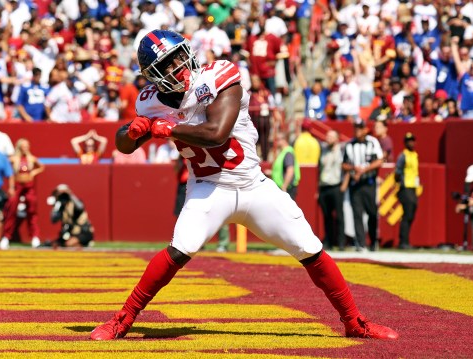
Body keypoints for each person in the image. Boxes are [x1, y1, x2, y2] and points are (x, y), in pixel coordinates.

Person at [90, 29, 397, 341]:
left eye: (180, 55)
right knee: (181, 248)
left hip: (253, 184)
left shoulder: (219, 75)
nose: (180, 65)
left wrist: (168, 129)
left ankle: (354, 321)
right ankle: (122, 320)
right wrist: (131, 132)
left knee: (309, 247)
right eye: (169, 63)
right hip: (208, 186)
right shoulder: (150, 103)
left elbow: (217, 133)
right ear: (154, 75)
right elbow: (124, 144)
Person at [342, 120, 383, 252]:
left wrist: (364, 170)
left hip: (369, 183)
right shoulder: (350, 145)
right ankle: (360, 243)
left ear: (365, 129)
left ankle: (373, 241)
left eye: (360, 128)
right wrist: (354, 169)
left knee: (372, 212)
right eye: (356, 128)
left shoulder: (372, 142)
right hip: (355, 184)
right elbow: (344, 164)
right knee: (357, 213)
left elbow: (379, 161)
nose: (358, 131)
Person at [0, 138, 44, 249]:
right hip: (17, 186)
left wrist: (33, 172)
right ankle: (6, 237)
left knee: (32, 210)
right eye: (23, 146)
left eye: (26, 146)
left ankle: (35, 237)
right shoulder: (14, 159)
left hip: (29, 187)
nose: (25, 148)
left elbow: (42, 167)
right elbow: (5, 165)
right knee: (11, 209)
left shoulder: (31, 159)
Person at [318, 130, 347, 251]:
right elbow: (320, 169)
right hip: (324, 186)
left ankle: (341, 242)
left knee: (339, 216)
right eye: (327, 136)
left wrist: (344, 184)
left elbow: (347, 167)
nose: (327, 138)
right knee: (326, 216)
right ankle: (329, 241)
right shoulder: (323, 150)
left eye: (331, 136)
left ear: (337, 138)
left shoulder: (341, 150)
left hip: (336, 185)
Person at [394, 133, 420, 249]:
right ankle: (403, 241)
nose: (411, 143)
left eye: (412, 140)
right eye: (409, 141)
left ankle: (406, 241)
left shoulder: (414, 155)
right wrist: (400, 184)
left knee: (411, 214)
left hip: (413, 187)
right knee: (407, 214)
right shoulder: (403, 155)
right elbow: (397, 172)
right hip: (405, 188)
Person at [272, 132, 301, 200]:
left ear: (284, 140)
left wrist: (284, 186)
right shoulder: (283, 152)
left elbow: (290, 171)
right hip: (282, 187)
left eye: (278, 139)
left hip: (286, 188)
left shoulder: (288, 152)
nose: (276, 142)